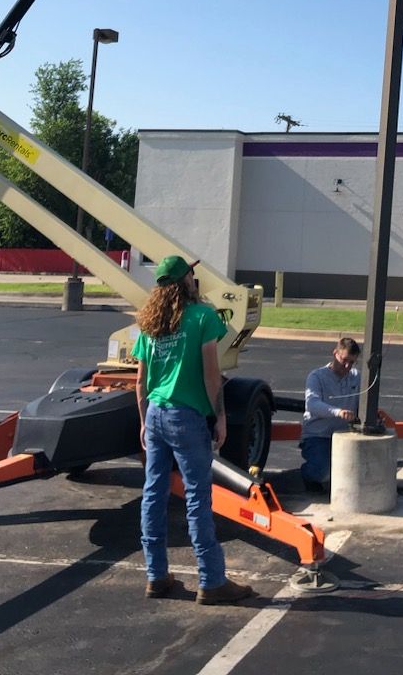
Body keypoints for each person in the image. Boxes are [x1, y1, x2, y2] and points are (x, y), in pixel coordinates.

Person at [133, 254, 254, 605]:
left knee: (154, 493)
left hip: (156, 413)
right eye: (191, 275)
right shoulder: (202, 316)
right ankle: (212, 580)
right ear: (185, 280)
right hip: (186, 418)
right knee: (197, 497)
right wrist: (220, 417)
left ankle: (156, 575)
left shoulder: (149, 323)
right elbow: (210, 374)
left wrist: (143, 421)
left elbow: (141, 381)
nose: (194, 280)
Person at [300, 338, 361, 493]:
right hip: (319, 435)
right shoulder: (317, 377)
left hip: (346, 435)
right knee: (322, 471)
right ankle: (309, 475)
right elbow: (312, 404)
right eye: (344, 360)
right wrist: (338, 412)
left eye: (352, 363)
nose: (347, 366)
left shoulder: (356, 376)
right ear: (335, 354)